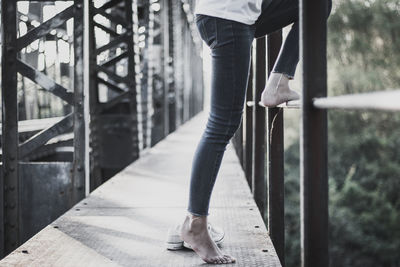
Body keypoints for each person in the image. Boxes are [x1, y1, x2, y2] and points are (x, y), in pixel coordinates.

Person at [179, 0, 332, 264]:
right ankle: (195, 225)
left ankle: (278, 82)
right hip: (228, 17)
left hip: (239, 13)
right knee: (222, 124)